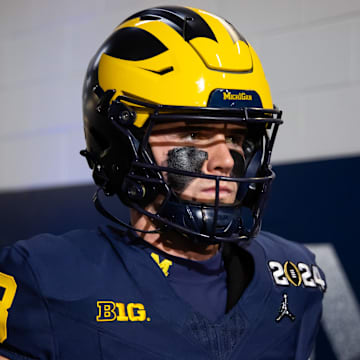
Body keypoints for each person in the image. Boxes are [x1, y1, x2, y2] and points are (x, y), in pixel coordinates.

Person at [0, 6, 325, 360]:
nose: (226, 160)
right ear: (119, 145)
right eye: (193, 132)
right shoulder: (45, 278)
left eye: (237, 137)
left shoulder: (295, 277)